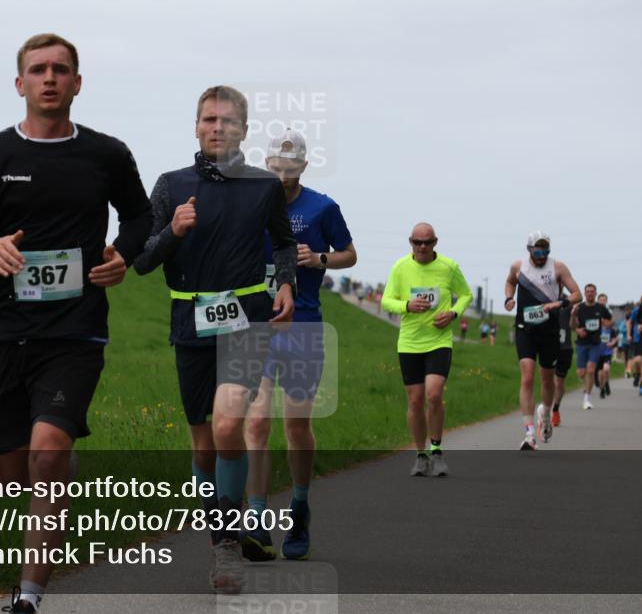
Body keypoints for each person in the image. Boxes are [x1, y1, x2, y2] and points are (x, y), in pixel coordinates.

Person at [0, 33, 152, 614]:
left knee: (48, 450)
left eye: (61, 69)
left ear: (78, 83)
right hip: (6, 331)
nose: (50, 78)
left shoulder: (107, 154)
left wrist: (122, 256)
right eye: (38, 70)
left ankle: (29, 595)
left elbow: (140, 217)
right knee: (11, 475)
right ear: (20, 84)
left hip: (76, 330)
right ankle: (57, 477)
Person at [133, 85, 296, 594]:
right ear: (197, 126)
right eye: (208, 119)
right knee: (204, 445)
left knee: (229, 426)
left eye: (227, 121)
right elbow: (142, 259)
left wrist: (286, 281)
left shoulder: (264, 185)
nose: (217, 127)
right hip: (191, 321)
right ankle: (222, 531)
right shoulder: (170, 185)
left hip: (247, 318)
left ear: (243, 130)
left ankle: (226, 545)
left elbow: (285, 242)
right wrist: (174, 232)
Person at [242, 129, 356, 563]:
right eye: (274, 168)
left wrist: (321, 259)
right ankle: (255, 521)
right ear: (265, 164)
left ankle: (300, 506)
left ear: (304, 168)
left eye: (290, 170)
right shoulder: (251, 201)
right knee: (255, 423)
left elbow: (349, 253)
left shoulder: (322, 207)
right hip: (258, 325)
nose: (281, 176)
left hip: (304, 326)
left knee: (295, 426)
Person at [382, 223, 473, 475]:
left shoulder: (448, 267)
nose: (422, 247)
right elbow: (386, 300)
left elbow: (466, 295)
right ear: (410, 242)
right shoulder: (400, 268)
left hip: (439, 341)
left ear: (435, 242)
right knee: (415, 401)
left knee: (433, 395)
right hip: (410, 342)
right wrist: (407, 306)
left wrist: (453, 313)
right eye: (417, 242)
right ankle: (420, 455)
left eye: (427, 242)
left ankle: (436, 451)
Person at [504, 231, 580, 449]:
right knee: (527, 377)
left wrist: (560, 302)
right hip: (525, 328)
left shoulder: (558, 267)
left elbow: (577, 294)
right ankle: (529, 433)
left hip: (550, 329)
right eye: (537, 251)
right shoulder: (518, 267)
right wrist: (509, 298)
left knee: (547, 379)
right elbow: (510, 282)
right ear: (529, 250)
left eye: (545, 251)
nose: (541, 255)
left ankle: (545, 413)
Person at [571, 283, 612, 410]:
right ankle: (586, 385)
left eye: (592, 291)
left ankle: (587, 398)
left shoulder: (601, 308)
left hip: (595, 343)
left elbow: (610, 320)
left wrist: (606, 324)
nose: (590, 293)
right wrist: (577, 330)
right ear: (585, 293)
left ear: (595, 293)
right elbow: (572, 326)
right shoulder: (579, 308)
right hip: (582, 343)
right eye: (587, 291)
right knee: (581, 373)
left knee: (590, 370)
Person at [552, 301, 573, 427]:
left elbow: (577, 300)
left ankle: (555, 408)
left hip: (564, 349)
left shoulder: (567, 307)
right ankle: (545, 410)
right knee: (549, 380)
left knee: (559, 382)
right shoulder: (543, 304)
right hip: (548, 349)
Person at [627, 293, 642, 385]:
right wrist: (629, 334)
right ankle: (637, 374)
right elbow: (630, 322)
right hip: (637, 338)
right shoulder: (636, 310)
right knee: (637, 361)